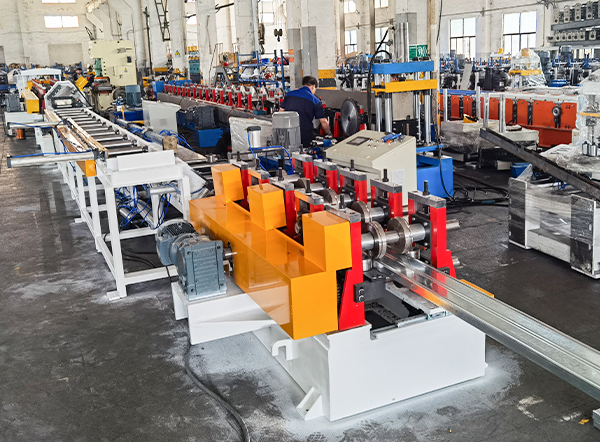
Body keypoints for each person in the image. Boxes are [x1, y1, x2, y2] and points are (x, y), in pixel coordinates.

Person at [279, 75, 332, 148]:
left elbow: (280, 112)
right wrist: (329, 133)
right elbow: (323, 121)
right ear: (313, 86)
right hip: (305, 135)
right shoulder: (315, 100)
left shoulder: (289, 95)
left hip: (287, 133)